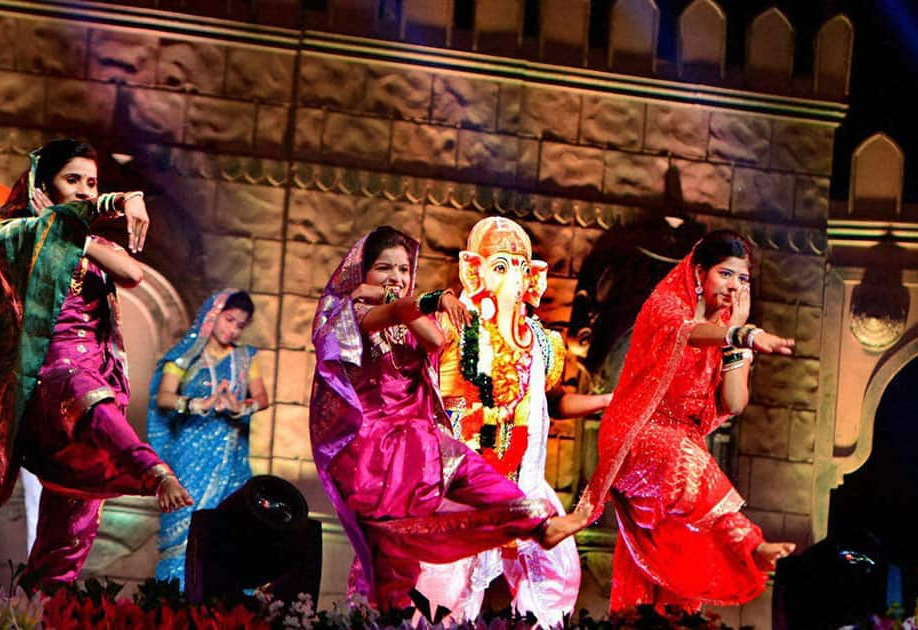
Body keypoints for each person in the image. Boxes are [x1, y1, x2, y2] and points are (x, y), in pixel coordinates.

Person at [308, 225, 586, 611]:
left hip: (419, 441)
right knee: (395, 572)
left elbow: (435, 341)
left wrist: (417, 302)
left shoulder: (408, 317)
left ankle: (541, 525)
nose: (397, 278)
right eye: (385, 269)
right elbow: (392, 310)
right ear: (362, 274)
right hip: (379, 456)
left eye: (404, 270)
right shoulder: (351, 314)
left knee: (479, 477)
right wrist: (423, 299)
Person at [0, 139, 192, 590]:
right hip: (47, 378)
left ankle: (37, 609)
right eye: (72, 181)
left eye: (93, 183)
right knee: (83, 392)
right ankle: (153, 470)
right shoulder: (17, 233)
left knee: (73, 528)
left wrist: (115, 207)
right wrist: (54, 226)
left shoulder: (89, 240)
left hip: (96, 377)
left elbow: (133, 274)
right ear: (43, 187)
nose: (85, 191)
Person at [576, 229, 797, 613]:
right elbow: (686, 334)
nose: (734, 286)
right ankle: (749, 542)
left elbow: (734, 401)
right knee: (680, 454)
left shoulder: (730, 332)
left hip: (680, 469)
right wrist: (740, 333)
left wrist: (735, 344)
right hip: (640, 438)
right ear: (699, 274)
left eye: (742, 279)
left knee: (677, 571)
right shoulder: (664, 307)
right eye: (725, 274)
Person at [416, 217, 610, 627]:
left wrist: (609, 400)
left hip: (527, 485)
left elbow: (553, 402)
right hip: (466, 492)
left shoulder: (542, 341)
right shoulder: (456, 330)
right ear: (476, 270)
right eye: (501, 266)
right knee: (446, 594)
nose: (513, 278)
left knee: (556, 582)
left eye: (521, 267)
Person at [147, 289, 268, 587]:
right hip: (188, 453)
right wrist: (195, 404)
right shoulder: (185, 355)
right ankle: (172, 605)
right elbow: (163, 397)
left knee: (230, 527)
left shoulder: (246, 357)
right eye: (228, 320)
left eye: (240, 325)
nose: (233, 329)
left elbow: (262, 398)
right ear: (212, 315)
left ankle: (222, 610)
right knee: (184, 528)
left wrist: (240, 406)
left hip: (231, 455)